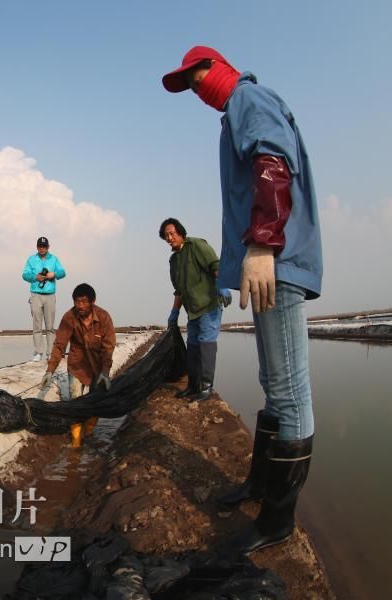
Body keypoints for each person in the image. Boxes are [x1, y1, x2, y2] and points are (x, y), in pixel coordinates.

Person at [163, 46, 322, 554]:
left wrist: (261, 242)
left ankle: (277, 522)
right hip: (267, 263)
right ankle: (260, 487)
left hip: (275, 259)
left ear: (222, 67)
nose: (196, 88)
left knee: (290, 389)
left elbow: (274, 161)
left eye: (198, 74)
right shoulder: (234, 112)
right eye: (188, 84)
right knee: (273, 383)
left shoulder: (248, 99)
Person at [160, 218, 232, 401]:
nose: (169, 238)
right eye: (166, 236)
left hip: (208, 306)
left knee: (206, 345)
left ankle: (206, 387)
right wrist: (174, 313)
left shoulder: (196, 245)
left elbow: (215, 265)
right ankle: (193, 385)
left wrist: (222, 285)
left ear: (181, 233)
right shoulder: (174, 260)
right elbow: (179, 290)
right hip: (192, 312)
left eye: (172, 233)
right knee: (192, 347)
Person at [41, 284, 116, 448]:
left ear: (92, 302)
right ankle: (76, 442)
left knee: (95, 403)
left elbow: (108, 347)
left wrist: (105, 372)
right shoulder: (69, 317)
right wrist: (49, 371)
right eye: (77, 302)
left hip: (98, 367)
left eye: (84, 301)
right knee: (76, 402)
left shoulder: (103, 318)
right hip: (77, 366)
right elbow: (59, 345)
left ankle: (88, 433)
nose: (80, 306)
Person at [22, 236, 66, 361]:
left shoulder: (54, 259)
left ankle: (50, 353)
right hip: (35, 295)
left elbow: (63, 272)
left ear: (48, 247)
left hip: (50, 295)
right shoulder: (31, 259)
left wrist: (55, 274)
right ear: (37, 247)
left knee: (50, 326)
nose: (42, 248)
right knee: (37, 325)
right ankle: (37, 352)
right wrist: (35, 277)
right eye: (40, 246)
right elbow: (24, 275)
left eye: (44, 246)